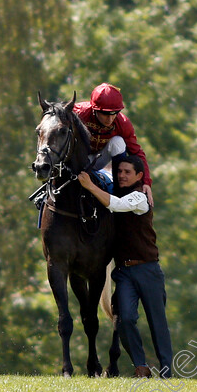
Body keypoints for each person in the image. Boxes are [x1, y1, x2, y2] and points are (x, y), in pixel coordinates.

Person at [78, 155, 173, 378]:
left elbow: (117, 205)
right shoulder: (116, 193)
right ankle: (141, 366)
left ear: (140, 176)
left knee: (157, 323)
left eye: (127, 172)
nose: (121, 175)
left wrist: (89, 185)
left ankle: (167, 372)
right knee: (124, 319)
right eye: (119, 171)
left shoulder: (140, 197)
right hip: (124, 272)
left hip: (148, 270)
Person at [74, 83, 154, 206]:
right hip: (76, 159)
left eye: (114, 113)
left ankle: (118, 192)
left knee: (118, 142)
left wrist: (146, 182)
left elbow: (137, 152)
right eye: (106, 114)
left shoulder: (123, 123)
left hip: (98, 160)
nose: (110, 119)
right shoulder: (78, 112)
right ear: (94, 109)